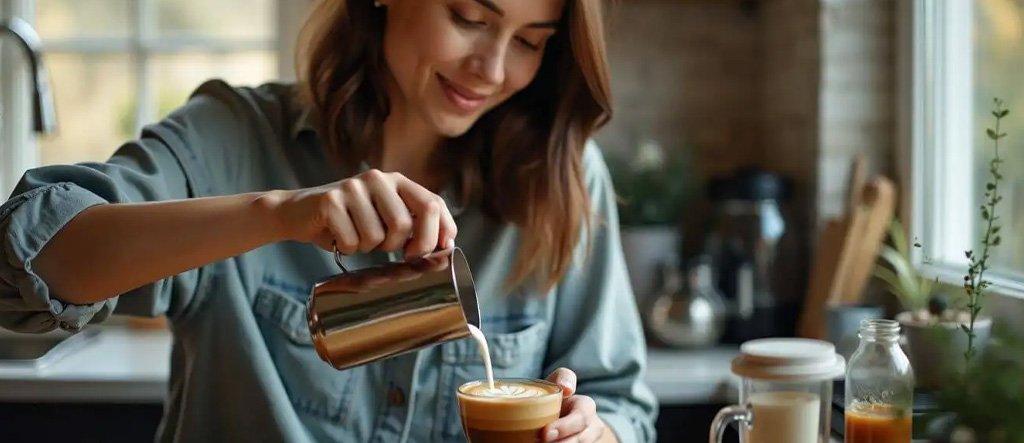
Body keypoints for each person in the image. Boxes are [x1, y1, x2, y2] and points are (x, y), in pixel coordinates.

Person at [0, 0, 657, 441]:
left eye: (531, 42)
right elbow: (27, 257)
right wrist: (280, 212)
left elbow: (623, 403)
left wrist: (595, 432)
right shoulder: (234, 140)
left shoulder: (559, 181)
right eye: (468, 16)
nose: (492, 69)